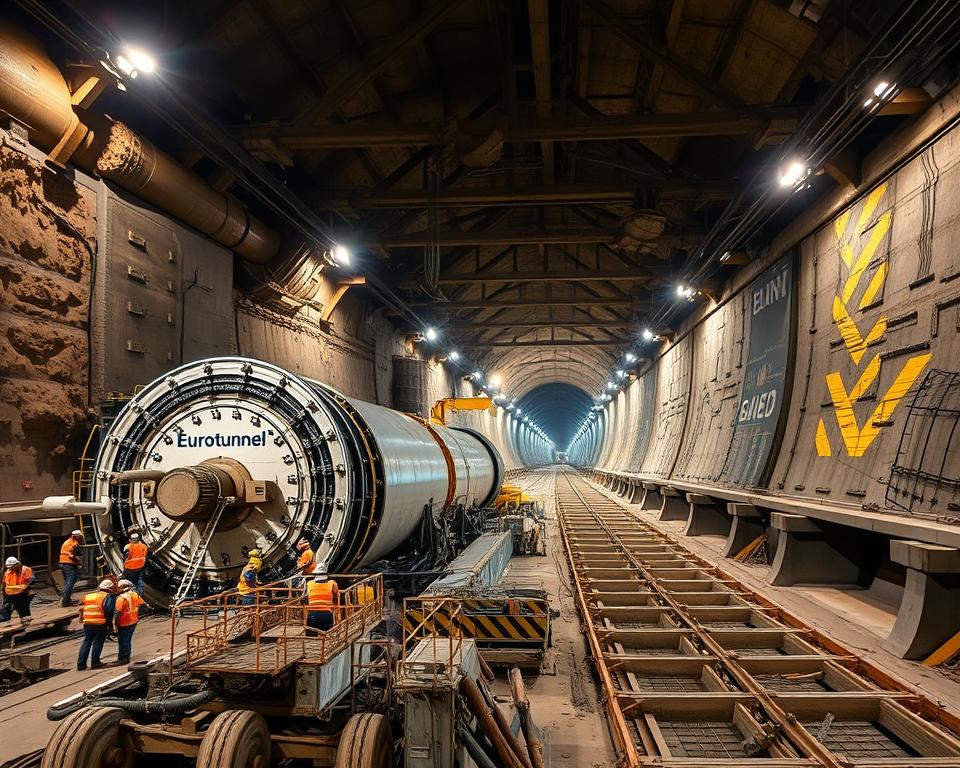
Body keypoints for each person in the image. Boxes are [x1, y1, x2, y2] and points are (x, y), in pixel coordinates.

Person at [78, 579, 116, 670]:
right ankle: (95, 662)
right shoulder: (108, 596)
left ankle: (81, 664)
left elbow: (81, 607)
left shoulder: (88, 596)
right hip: (100, 622)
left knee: (87, 641)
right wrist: (110, 625)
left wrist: (82, 618)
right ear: (109, 588)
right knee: (98, 641)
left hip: (88, 622)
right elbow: (108, 611)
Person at [114, 579, 143, 664]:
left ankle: (123, 658)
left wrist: (115, 624)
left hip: (124, 622)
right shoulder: (135, 595)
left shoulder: (122, 598)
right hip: (133, 621)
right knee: (127, 640)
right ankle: (125, 656)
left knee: (123, 640)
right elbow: (141, 604)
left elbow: (117, 612)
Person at [1, 556, 35, 625]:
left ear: (17, 564)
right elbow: (4, 583)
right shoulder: (8, 571)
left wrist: (28, 587)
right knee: (7, 607)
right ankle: (6, 617)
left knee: (23, 605)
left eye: (12, 567)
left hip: (21, 592)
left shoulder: (26, 570)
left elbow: (31, 580)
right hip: (10, 592)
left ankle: (25, 619)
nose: (11, 569)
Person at [305, 567, 338, 633]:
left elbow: (305, 598)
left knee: (311, 638)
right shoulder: (332, 584)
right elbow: (335, 597)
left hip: (312, 614)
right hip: (326, 614)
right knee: (327, 635)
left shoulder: (309, 584)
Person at [59, 530, 84, 607]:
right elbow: (72, 555)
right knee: (70, 582)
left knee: (69, 582)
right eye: (80, 536)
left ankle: (66, 599)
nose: (81, 538)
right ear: (76, 536)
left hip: (64, 563)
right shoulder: (74, 543)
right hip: (67, 564)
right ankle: (65, 601)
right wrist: (81, 562)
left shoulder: (69, 541)